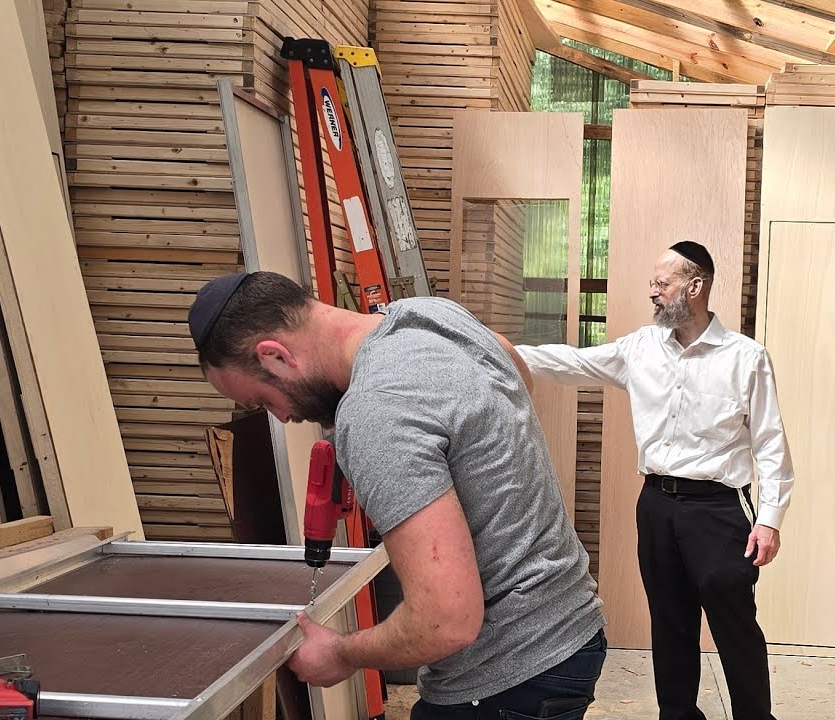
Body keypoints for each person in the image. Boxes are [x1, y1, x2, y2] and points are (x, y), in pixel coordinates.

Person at [186, 270, 607, 719]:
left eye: (264, 401)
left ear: (274, 356)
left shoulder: (375, 410)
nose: (282, 417)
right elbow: (510, 361)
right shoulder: (429, 314)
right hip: (571, 625)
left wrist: (340, 654)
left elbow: (445, 621)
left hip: (508, 673)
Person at [513, 241, 794, 720]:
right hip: (657, 505)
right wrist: (504, 352)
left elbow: (770, 443)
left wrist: (769, 520)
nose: (653, 293)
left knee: (735, 627)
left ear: (695, 286)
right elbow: (573, 362)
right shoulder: (640, 348)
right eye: (653, 284)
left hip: (720, 509)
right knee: (670, 623)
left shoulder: (745, 358)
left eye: (662, 284)